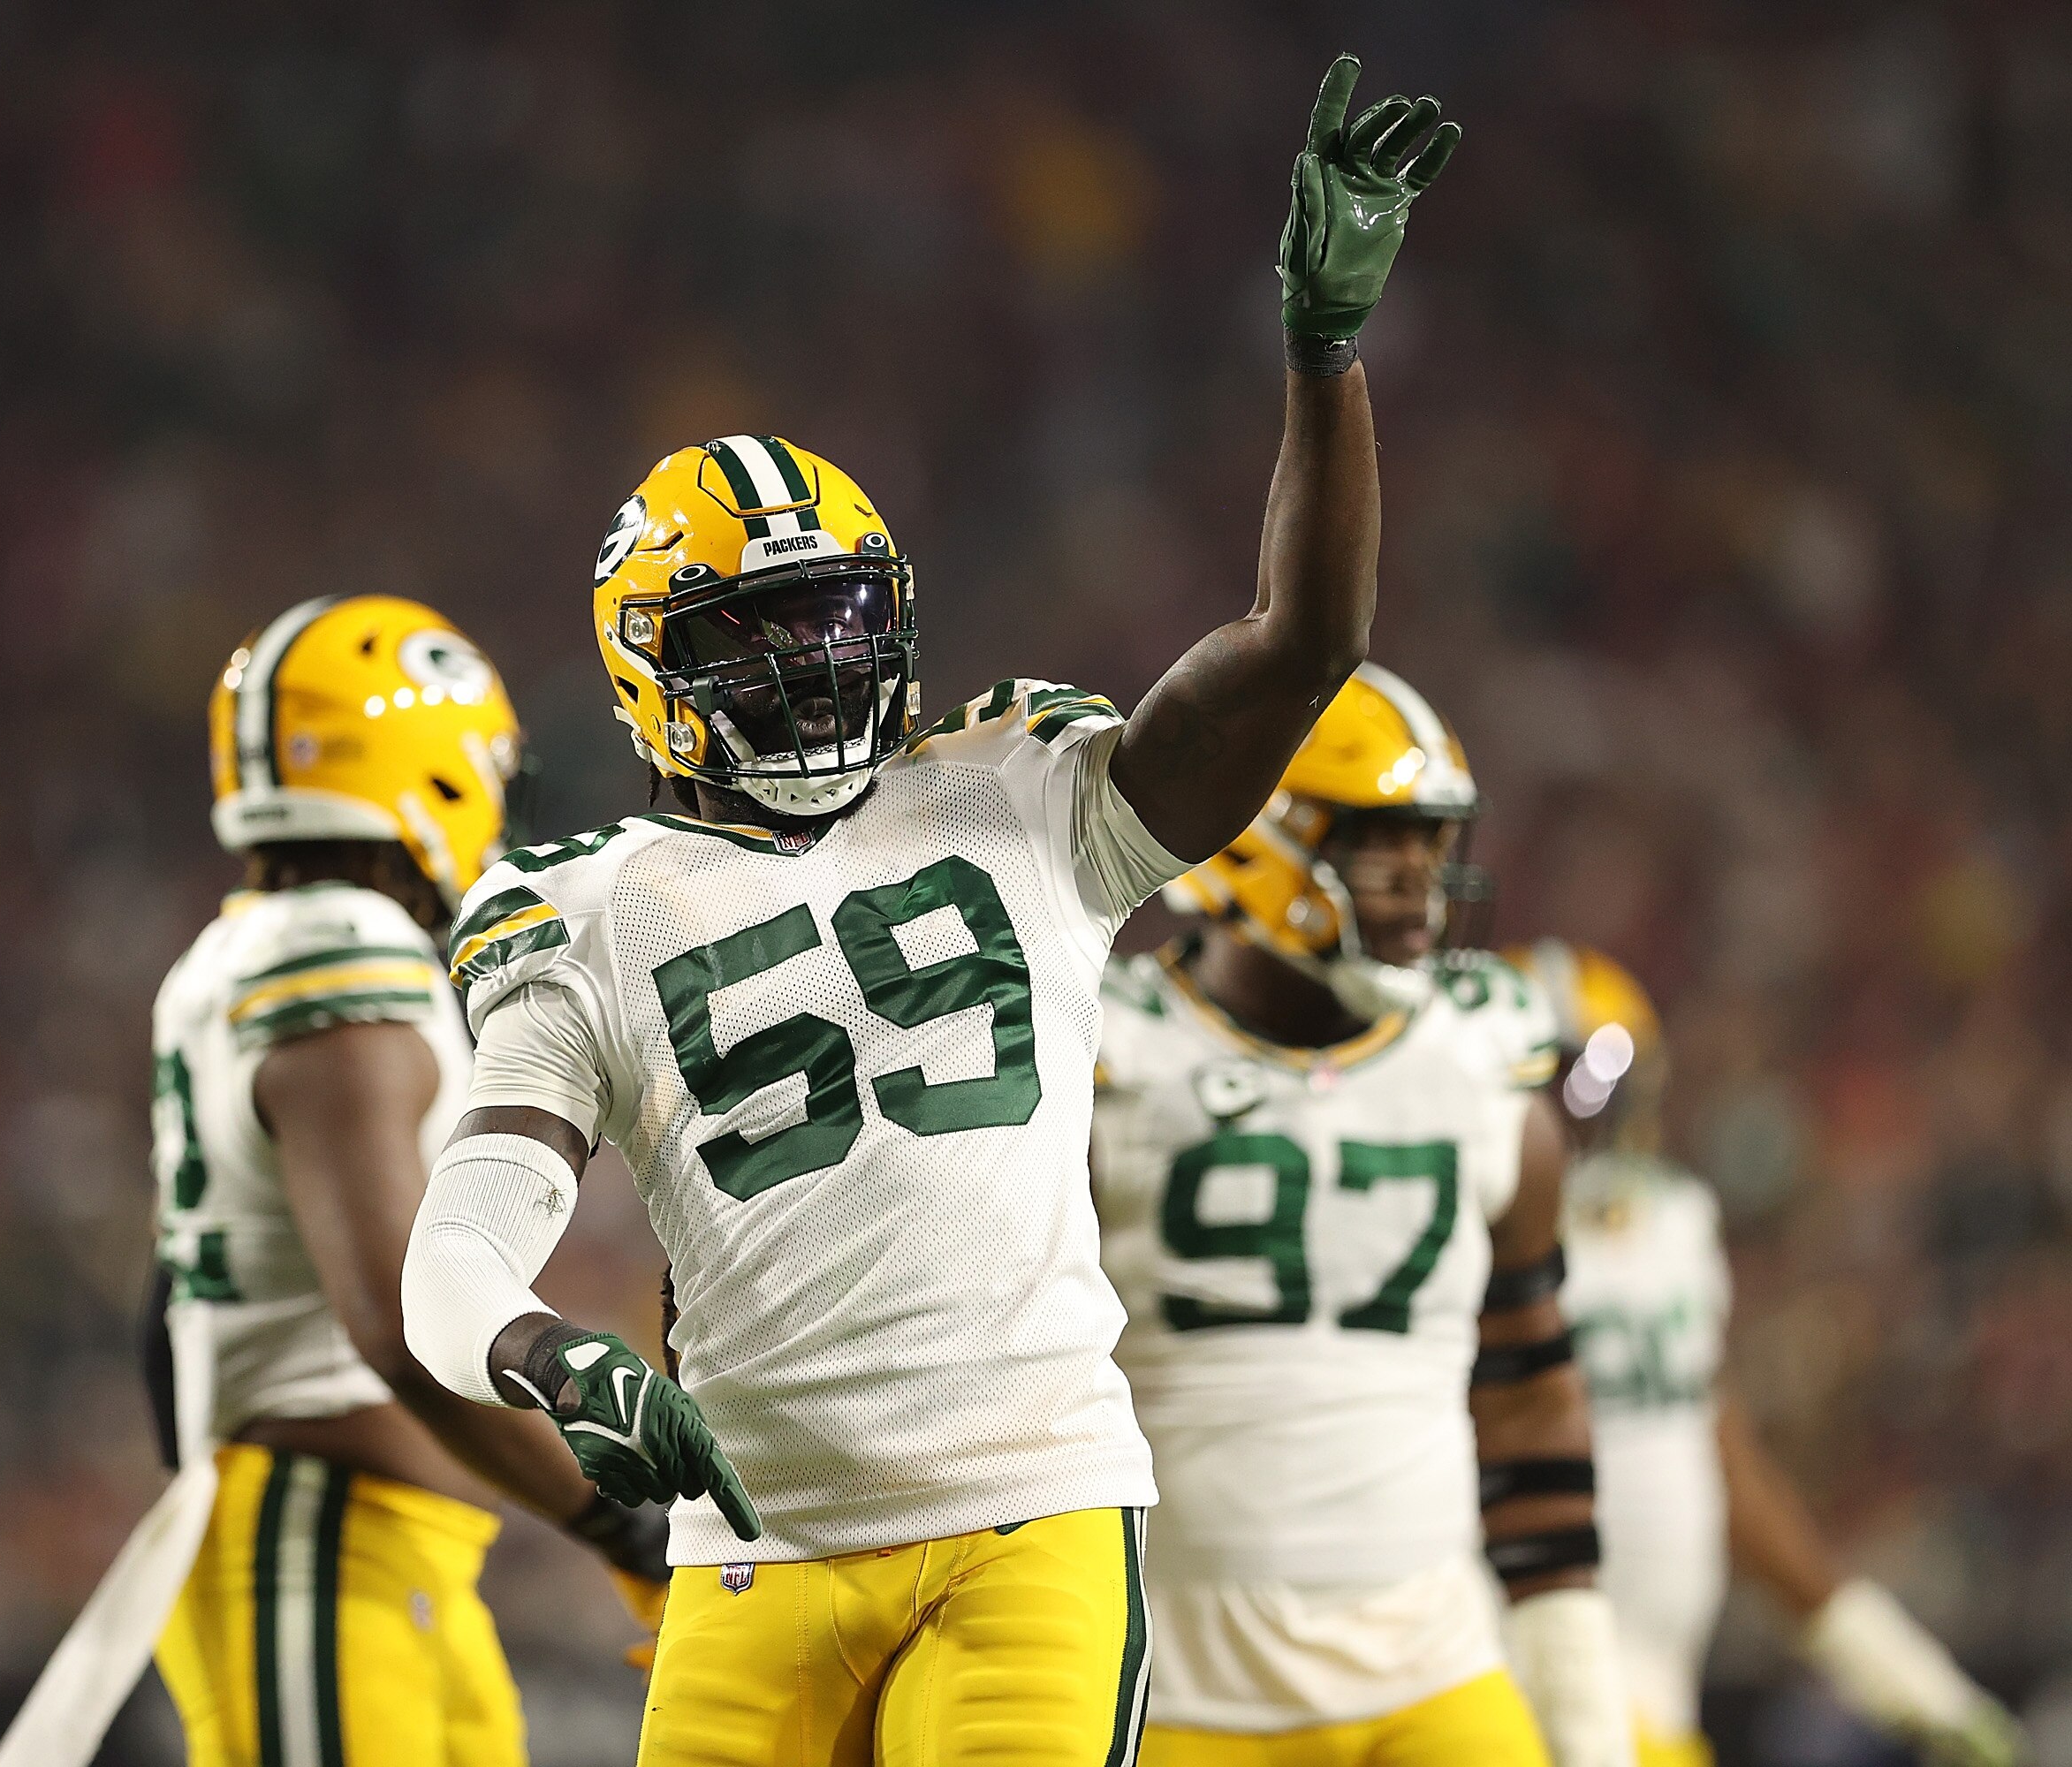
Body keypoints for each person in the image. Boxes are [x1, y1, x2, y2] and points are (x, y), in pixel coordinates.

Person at [396, 55, 1460, 1767]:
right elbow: (455, 1247)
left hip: (1030, 1507)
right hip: (756, 1543)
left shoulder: (1018, 786)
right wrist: (550, 1354)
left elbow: (1300, 648)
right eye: (770, 635)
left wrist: (1323, 363)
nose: (825, 667)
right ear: (653, 674)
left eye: (840, 621)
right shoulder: (575, 906)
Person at [0, 595, 668, 1767]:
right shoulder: (339, 945)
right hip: (320, 1553)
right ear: (430, 771)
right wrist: (622, 1522)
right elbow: (404, 1322)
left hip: (376, 1556)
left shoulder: (254, 947)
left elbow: (170, 1323)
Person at [1089, 665, 1636, 1767]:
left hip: (1435, 1670)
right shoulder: (1104, 1054)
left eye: (1432, 845)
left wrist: (1583, 1717)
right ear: (1256, 832)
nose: (1418, 883)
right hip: (1183, 1680)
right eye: (1379, 840)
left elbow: (1533, 1402)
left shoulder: (1482, 1060)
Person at [1507, 942, 2026, 1767]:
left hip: (1652, 1697)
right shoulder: (1457, 1242)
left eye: (1602, 1084)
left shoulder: (1671, 1226)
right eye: (1561, 1084)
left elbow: (1712, 1458)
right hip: (1517, 1686)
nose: (1581, 1113)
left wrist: (1889, 1662)